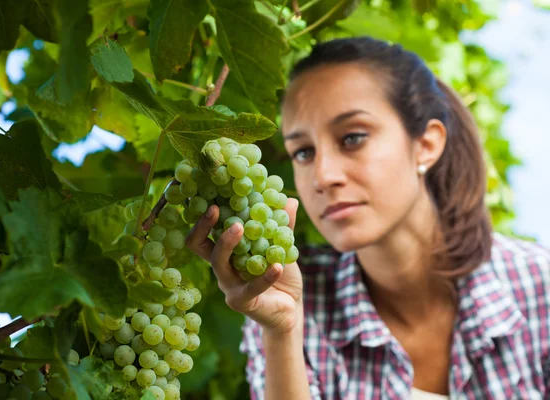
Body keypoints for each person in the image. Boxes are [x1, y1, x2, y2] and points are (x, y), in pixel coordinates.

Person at [186, 37, 550, 400]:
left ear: (426, 144)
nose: (323, 175)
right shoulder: (289, 298)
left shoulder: (540, 288)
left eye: (353, 138)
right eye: (303, 152)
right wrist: (283, 332)